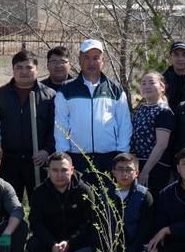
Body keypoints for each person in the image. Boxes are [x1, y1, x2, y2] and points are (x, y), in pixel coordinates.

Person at [53, 39, 132, 180]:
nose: (91, 62)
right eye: (86, 58)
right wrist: (63, 155)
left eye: (96, 58)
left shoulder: (115, 89)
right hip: (77, 157)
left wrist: (122, 154)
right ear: (79, 60)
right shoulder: (66, 90)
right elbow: (61, 125)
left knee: (108, 200)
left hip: (110, 157)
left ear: (103, 61)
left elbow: (124, 123)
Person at [0, 50, 56, 202]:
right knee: (9, 205)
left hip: (38, 160)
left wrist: (47, 151)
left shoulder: (49, 95)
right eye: (19, 67)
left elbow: (55, 128)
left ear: (37, 69)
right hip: (8, 161)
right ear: (13, 69)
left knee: (40, 205)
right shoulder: (1, 95)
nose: (24, 72)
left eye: (28, 67)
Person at [27, 152, 99, 252]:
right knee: (33, 244)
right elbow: (36, 223)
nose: (59, 175)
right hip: (52, 242)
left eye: (64, 170)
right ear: (48, 171)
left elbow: (89, 222)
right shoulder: (39, 192)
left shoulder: (84, 191)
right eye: (54, 170)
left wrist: (70, 242)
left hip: (77, 241)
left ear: (72, 170)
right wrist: (52, 244)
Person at [96, 153, 154, 252]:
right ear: (113, 172)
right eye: (120, 169)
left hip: (134, 248)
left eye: (129, 169)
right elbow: (96, 226)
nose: (124, 173)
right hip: (108, 248)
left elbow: (145, 232)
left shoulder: (145, 196)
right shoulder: (103, 194)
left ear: (137, 173)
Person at [132, 71, 176, 196]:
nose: (147, 86)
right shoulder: (140, 109)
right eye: (143, 83)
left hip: (155, 167)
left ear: (162, 87)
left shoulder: (164, 111)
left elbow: (161, 145)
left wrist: (145, 171)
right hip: (137, 165)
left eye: (152, 83)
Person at [162, 41, 185, 108]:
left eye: (184, 54)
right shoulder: (162, 80)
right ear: (170, 57)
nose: (180, 58)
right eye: (176, 55)